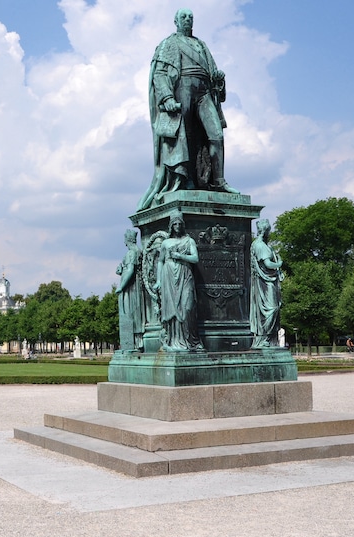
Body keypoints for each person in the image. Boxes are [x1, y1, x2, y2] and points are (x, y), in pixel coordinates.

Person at [138, 8, 238, 211]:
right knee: (184, 138)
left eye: (191, 17)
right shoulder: (169, 43)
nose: (188, 20)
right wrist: (167, 97)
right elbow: (160, 73)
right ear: (175, 20)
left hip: (203, 91)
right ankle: (187, 180)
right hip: (181, 87)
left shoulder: (201, 45)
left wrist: (219, 79)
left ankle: (218, 180)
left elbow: (213, 73)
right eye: (184, 17)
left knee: (216, 135)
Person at [156, 211, 203, 351]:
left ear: (183, 225)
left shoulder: (189, 241)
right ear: (171, 226)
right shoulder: (165, 243)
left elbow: (195, 259)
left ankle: (190, 340)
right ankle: (174, 340)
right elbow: (160, 261)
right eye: (174, 224)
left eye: (179, 224)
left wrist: (180, 256)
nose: (177, 226)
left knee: (188, 307)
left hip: (185, 274)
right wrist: (159, 280)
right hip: (169, 276)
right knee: (171, 309)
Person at [249, 219, 282, 348]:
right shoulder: (260, 245)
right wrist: (279, 264)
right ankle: (264, 337)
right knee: (272, 309)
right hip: (265, 283)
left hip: (266, 281)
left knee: (271, 309)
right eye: (268, 231)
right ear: (265, 231)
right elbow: (268, 264)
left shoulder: (262, 244)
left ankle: (268, 338)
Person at [116, 229, 144, 351]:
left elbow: (131, 270)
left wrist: (121, 286)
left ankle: (135, 343)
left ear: (128, 239)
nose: (124, 242)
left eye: (125, 239)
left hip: (131, 287)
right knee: (135, 312)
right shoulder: (139, 251)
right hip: (135, 285)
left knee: (131, 312)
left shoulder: (131, 253)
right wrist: (121, 271)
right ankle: (136, 342)